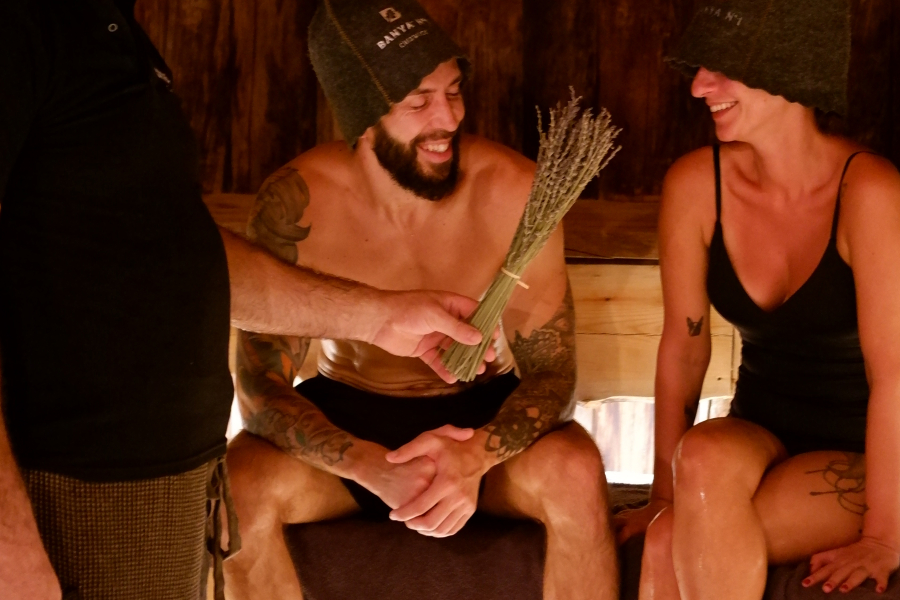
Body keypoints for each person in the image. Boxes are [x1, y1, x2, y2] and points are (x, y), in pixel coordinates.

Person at [0, 1, 496, 599]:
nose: (444, 115)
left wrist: (378, 316)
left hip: (163, 480)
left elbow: (178, 251)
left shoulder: (115, 32)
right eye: (417, 99)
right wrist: (7, 546)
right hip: (65, 486)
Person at [222, 1, 618, 599]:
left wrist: (476, 455)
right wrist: (366, 464)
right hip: (348, 416)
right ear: (363, 115)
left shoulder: (514, 189)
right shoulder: (296, 203)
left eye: (453, 91)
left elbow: (554, 373)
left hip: (477, 414)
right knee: (241, 480)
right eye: (418, 101)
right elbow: (260, 388)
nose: (448, 118)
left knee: (576, 469)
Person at [614, 1, 900, 598]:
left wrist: (885, 535)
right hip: (756, 436)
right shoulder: (697, 184)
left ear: (789, 69)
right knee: (698, 459)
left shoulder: (870, 192)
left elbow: (894, 374)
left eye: (721, 69)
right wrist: (662, 496)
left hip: (862, 451)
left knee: (669, 544)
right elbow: (684, 348)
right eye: (700, 68)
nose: (699, 87)